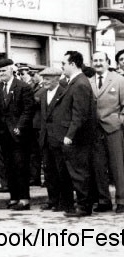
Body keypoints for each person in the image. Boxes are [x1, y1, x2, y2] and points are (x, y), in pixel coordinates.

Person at [0, 58, 34, 211]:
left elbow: (28, 110)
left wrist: (19, 127)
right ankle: (14, 197)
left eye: (3, 71)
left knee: (20, 166)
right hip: (3, 134)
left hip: (19, 135)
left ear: (11, 70)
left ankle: (24, 199)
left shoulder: (23, 87)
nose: (1, 74)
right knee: (8, 167)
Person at [60, 51, 97, 217]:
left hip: (79, 138)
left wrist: (70, 135)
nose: (62, 67)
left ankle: (83, 206)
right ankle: (83, 204)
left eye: (64, 63)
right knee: (78, 171)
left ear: (73, 64)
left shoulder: (80, 83)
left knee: (79, 172)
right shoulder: (77, 82)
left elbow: (80, 113)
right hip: (78, 136)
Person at [90, 51, 124, 213]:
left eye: (101, 60)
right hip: (95, 131)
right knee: (99, 166)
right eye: (95, 60)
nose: (98, 63)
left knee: (118, 166)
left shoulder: (119, 80)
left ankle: (122, 200)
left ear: (107, 62)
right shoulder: (89, 82)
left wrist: (118, 121)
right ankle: (104, 201)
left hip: (114, 128)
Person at [38, 67, 73, 213]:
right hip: (46, 138)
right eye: (43, 78)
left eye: (48, 78)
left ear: (57, 79)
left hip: (59, 137)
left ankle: (65, 202)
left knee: (62, 171)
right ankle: (53, 200)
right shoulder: (43, 94)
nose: (44, 81)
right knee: (49, 171)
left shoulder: (64, 92)